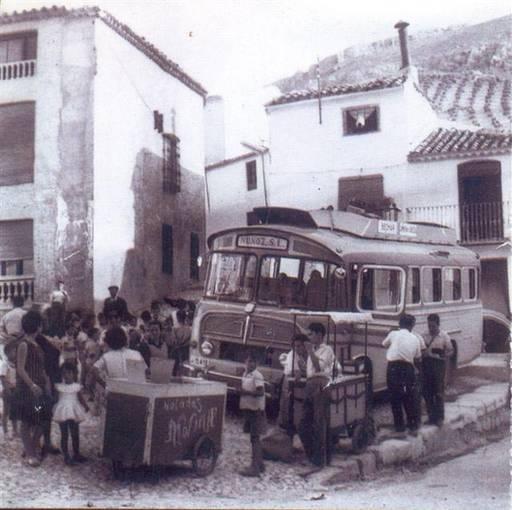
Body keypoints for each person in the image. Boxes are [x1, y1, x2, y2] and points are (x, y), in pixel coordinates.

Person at [11, 311, 52, 467]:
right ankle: (30, 453)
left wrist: (46, 385)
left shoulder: (37, 344)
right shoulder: (24, 344)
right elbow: (20, 369)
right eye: (40, 323)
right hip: (27, 391)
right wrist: (32, 385)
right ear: (37, 325)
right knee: (27, 421)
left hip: (39, 390)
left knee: (42, 419)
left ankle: (31, 446)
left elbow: (41, 369)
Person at [298, 322, 335, 467]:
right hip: (310, 384)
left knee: (320, 422)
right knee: (303, 424)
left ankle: (320, 460)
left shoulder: (327, 350)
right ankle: (312, 454)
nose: (309, 337)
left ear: (319, 335)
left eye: (311, 334)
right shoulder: (312, 349)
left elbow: (319, 367)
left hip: (321, 384)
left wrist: (310, 352)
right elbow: (310, 370)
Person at [382, 314, 425, 435]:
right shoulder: (415, 338)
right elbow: (418, 358)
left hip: (393, 368)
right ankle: (412, 425)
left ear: (399, 324)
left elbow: (383, 344)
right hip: (407, 368)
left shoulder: (393, 334)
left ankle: (399, 426)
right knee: (408, 396)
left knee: (394, 397)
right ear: (411, 325)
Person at [53, 362, 89, 465]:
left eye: (69, 373)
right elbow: (56, 399)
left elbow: (80, 398)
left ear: (74, 374)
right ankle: (66, 456)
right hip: (62, 411)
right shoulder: (59, 387)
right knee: (64, 434)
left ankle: (76, 453)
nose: (66, 375)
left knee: (75, 433)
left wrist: (86, 406)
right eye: (64, 373)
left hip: (74, 410)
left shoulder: (77, 387)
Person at [422, 314, 453, 427]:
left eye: (433, 326)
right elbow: (420, 350)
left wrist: (441, 356)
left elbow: (450, 351)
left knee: (439, 392)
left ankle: (439, 417)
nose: (431, 329)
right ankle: (431, 417)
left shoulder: (444, 336)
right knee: (427, 392)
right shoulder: (424, 335)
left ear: (438, 325)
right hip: (426, 366)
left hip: (439, 366)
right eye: (429, 326)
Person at [239, 351, 266, 477]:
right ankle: (259, 464)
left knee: (255, 438)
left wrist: (245, 392)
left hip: (256, 411)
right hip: (249, 409)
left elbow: (260, 392)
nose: (249, 364)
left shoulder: (257, 375)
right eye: (248, 361)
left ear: (257, 363)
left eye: (252, 361)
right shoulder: (245, 374)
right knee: (253, 438)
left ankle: (254, 467)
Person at [278, 333, 308, 436]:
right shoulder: (292, 355)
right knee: (288, 413)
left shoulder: (302, 356)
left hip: (296, 386)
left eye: (299, 346)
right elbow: (297, 374)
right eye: (295, 346)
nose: (297, 348)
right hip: (289, 384)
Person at [0, 342, 18, 439]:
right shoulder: (5, 364)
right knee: (6, 411)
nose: (15, 353)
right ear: (7, 353)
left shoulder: (16, 364)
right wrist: (7, 390)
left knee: (14, 411)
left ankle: (15, 430)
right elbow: (2, 378)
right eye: (13, 351)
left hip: (15, 389)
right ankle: (6, 431)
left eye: (15, 351)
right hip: (7, 390)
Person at [169, 310, 191, 376]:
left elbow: (173, 341)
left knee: (174, 369)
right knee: (185, 368)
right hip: (186, 352)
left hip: (176, 352)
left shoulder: (174, 329)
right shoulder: (190, 329)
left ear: (177, 318)